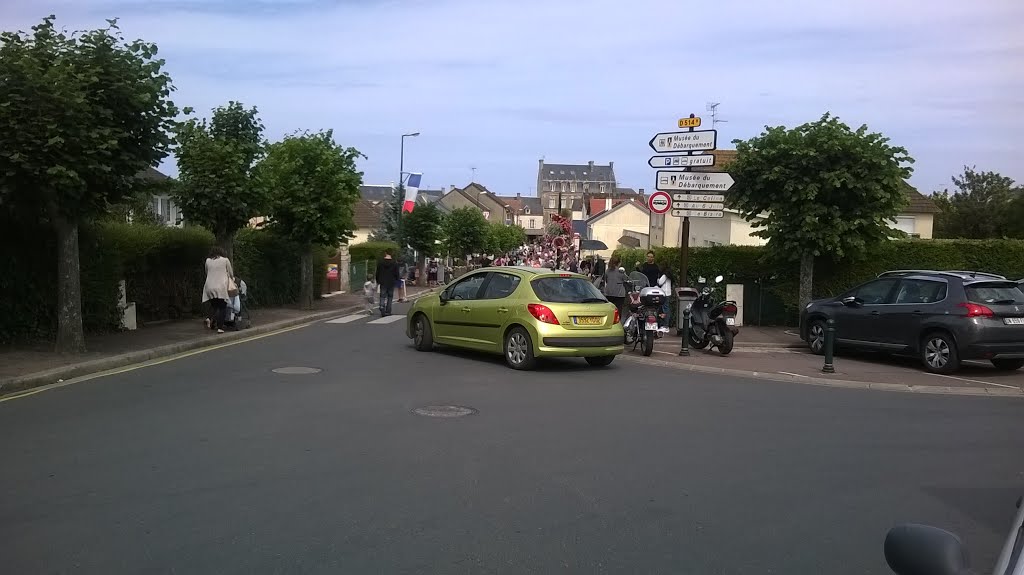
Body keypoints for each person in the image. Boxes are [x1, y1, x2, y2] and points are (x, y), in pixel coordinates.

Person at [202, 247, 234, 334]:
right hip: (221, 286)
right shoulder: (225, 260)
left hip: (209, 286)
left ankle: (208, 318)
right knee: (222, 306)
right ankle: (220, 328)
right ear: (222, 252)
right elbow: (231, 273)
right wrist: (232, 280)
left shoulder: (208, 260)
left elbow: (206, 272)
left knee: (214, 305)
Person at [374, 248, 400, 317]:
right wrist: (397, 280)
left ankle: (382, 306)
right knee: (390, 297)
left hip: (383, 282)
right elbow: (397, 274)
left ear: (385, 253)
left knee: (382, 296)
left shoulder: (380, 263)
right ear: (391, 254)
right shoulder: (394, 263)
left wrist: (378, 280)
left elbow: (377, 273)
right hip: (391, 282)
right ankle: (388, 311)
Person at [602, 256, 627, 320]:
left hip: (609, 292)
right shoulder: (621, 271)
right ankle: (617, 322)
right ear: (619, 263)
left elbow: (606, 280)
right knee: (618, 310)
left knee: (610, 309)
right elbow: (625, 279)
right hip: (619, 293)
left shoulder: (608, 271)